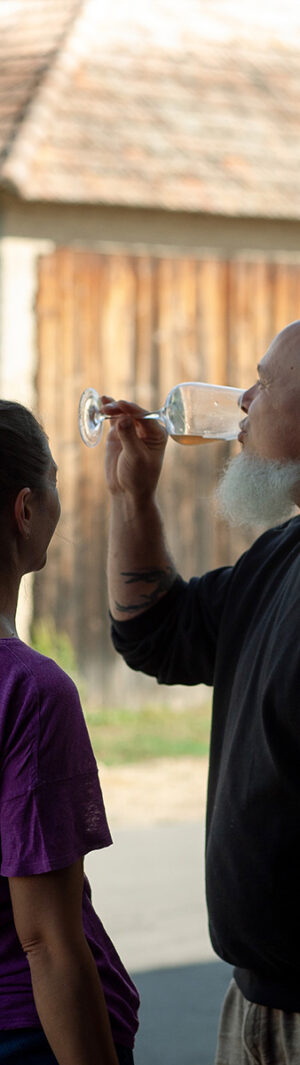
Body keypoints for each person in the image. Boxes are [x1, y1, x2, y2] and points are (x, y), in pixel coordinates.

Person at [103, 319, 300, 1065]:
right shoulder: (279, 554)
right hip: (254, 1002)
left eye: (265, 382)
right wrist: (134, 496)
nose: (243, 401)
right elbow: (156, 630)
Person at [0, 400, 139, 1064]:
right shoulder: (29, 690)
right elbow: (47, 941)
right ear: (25, 509)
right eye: (55, 480)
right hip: (29, 1035)